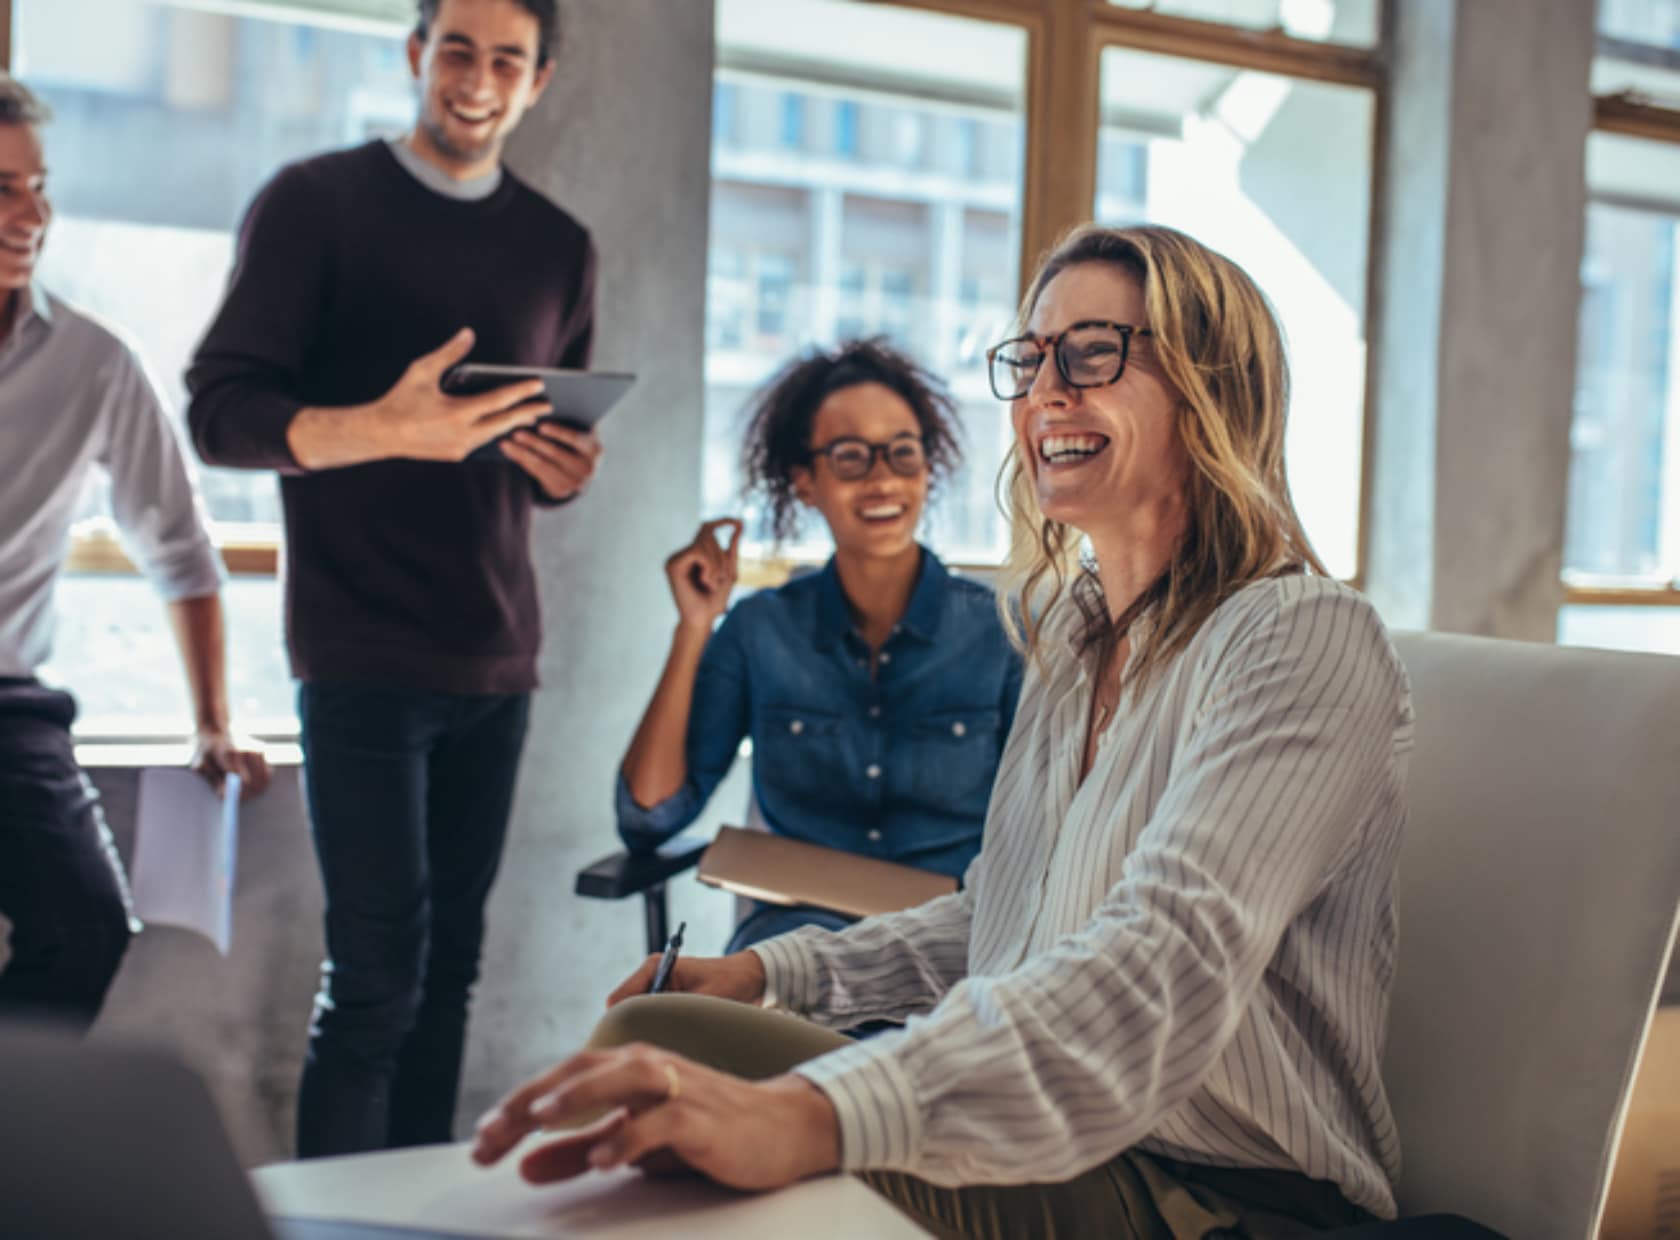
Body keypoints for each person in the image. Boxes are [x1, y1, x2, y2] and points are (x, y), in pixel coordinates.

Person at [473, 224, 1415, 1239]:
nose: (1046, 391)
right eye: (1032, 358)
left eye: (1094, 351)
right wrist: (771, 972)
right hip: (1056, 1128)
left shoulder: (1301, 635)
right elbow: (999, 918)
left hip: (1214, 1193)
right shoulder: (1073, 632)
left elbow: (1155, 969)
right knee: (655, 1033)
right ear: (806, 482)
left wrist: (812, 1113)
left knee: (709, 1132)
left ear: (1211, 385)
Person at [185, 0, 600, 1158]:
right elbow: (221, 412)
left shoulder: (561, 247)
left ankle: (420, 1218)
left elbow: (537, 443)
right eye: (456, 48)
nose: (476, 77)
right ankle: (334, 1222)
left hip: (498, 650)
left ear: (538, 82)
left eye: (505, 59)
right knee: (374, 981)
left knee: (450, 975)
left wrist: (564, 468)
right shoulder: (314, 204)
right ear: (417, 54)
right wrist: (381, 427)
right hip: (359, 648)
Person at [0, 73, 271, 1032]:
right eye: (3, 188)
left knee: (85, 937)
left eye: (39, 186)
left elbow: (181, 551)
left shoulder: (92, 362)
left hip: (9, 710)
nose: (32, 213)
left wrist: (213, 722)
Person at [616, 340, 1023, 952]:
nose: (883, 477)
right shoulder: (760, 630)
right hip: (790, 949)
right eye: (851, 457)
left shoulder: (1004, 634)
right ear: (804, 482)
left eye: (903, 453)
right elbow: (649, 816)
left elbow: (1053, 832)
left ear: (928, 469)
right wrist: (694, 626)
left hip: (953, 953)